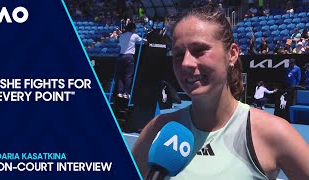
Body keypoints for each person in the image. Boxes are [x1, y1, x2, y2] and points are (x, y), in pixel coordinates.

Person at [132, 3, 309, 180]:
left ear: (232, 54)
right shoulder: (158, 130)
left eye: (199, 50)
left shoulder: (273, 132)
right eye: (178, 54)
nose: (186, 63)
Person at [116, 22, 145, 99]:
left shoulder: (122, 35)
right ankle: (126, 93)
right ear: (133, 29)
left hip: (121, 56)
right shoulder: (134, 36)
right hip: (129, 56)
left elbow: (119, 44)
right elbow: (143, 41)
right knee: (128, 75)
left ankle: (120, 92)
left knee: (121, 75)